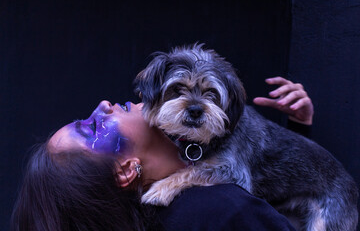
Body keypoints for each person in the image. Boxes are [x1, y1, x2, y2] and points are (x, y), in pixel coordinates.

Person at [11, 77, 312, 231]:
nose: (102, 105)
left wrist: (298, 133)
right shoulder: (222, 211)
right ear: (126, 170)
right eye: (92, 128)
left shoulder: (178, 214)